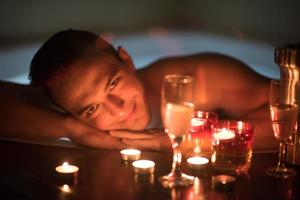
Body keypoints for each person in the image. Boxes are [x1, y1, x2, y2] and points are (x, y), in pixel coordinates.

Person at [0, 29, 277, 151]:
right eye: (92, 108)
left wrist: (192, 140)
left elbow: (291, 117)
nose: (118, 108)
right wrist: (72, 129)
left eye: (113, 83)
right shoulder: (67, 98)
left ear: (128, 60)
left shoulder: (201, 78)